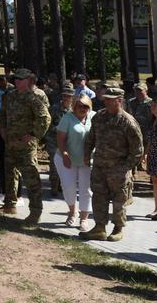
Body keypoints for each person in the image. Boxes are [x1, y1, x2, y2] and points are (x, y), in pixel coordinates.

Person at [79, 85, 143, 242]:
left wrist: (125, 167)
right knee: (98, 197)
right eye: (105, 99)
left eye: (110, 100)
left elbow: (137, 150)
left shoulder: (127, 122)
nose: (106, 102)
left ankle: (118, 228)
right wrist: (87, 154)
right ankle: (99, 228)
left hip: (118, 169)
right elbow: (91, 138)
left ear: (119, 101)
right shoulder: (99, 116)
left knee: (119, 200)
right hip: (100, 166)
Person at [0, 68, 51, 224]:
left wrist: (34, 135)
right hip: (10, 143)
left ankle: (35, 211)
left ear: (29, 80)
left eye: (21, 79)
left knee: (31, 178)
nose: (17, 81)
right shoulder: (10, 96)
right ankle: (9, 205)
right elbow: (2, 115)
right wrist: (2, 130)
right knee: (10, 175)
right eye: (16, 79)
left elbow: (45, 118)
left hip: (26, 146)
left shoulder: (33, 98)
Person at [54, 93, 95, 231]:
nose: (82, 108)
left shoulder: (94, 117)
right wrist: (65, 154)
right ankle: (72, 212)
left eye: (85, 106)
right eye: (79, 106)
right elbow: (60, 138)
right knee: (68, 186)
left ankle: (84, 219)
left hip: (87, 160)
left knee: (86, 190)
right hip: (66, 158)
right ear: (74, 106)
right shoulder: (68, 118)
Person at [45, 83, 75, 197]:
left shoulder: (75, 110)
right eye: (64, 96)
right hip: (54, 141)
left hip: (69, 142)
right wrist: (57, 129)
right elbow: (47, 125)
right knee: (54, 164)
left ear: (72, 98)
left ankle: (61, 185)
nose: (66, 98)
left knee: (66, 166)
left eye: (69, 96)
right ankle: (53, 186)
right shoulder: (54, 109)